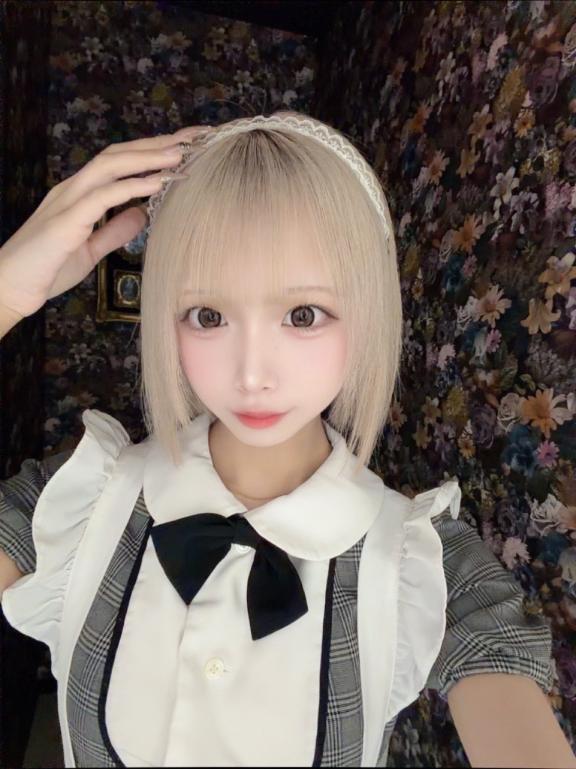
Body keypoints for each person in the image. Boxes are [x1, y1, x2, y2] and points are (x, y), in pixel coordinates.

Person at [0, 112, 567, 768]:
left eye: (303, 315)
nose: (252, 374)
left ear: (367, 309)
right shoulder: (76, 501)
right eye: (207, 315)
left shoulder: (425, 566)